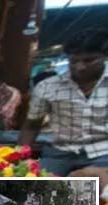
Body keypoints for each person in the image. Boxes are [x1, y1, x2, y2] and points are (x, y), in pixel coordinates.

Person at [21, 29, 108, 176]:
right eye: (74, 61)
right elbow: (32, 125)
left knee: (95, 190)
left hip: (103, 153)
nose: (80, 66)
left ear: (105, 56)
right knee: (35, 189)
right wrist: (21, 158)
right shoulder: (47, 87)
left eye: (89, 60)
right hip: (59, 153)